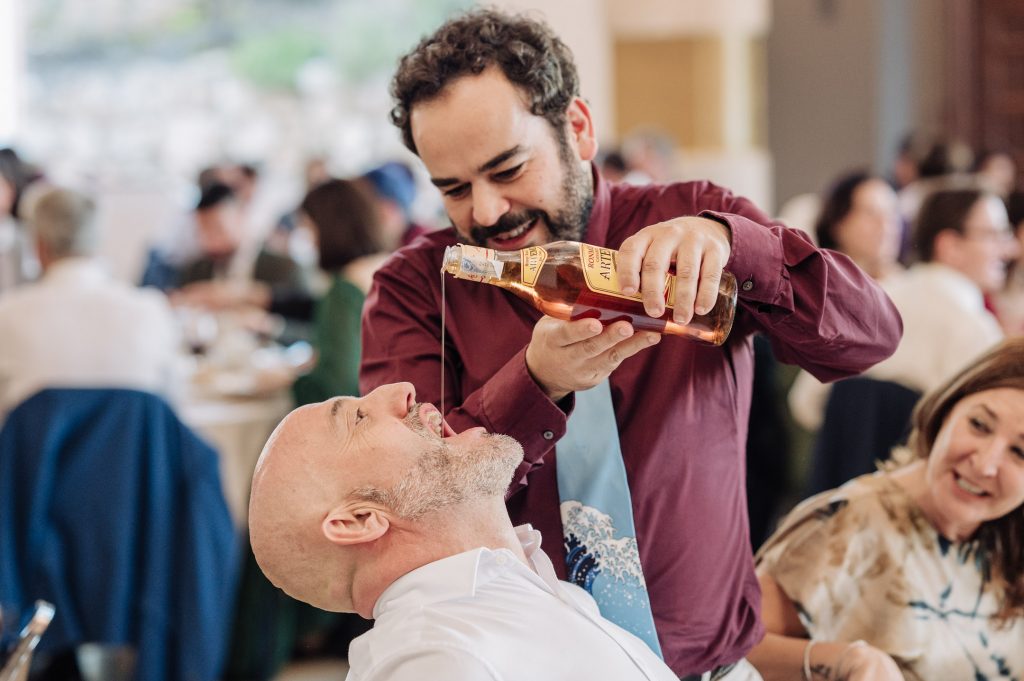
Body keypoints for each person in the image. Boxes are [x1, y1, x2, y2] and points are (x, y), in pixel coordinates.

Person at [359, 9, 901, 678]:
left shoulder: (694, 218)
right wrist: (534, 384)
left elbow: (870, 339)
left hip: (713, 664)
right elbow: (403, 497)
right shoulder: (417, 288)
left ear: (578, 129)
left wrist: (737, 245)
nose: (488, 211)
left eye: (508, 168)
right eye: (454, 188)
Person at [248, 382, 681, 681]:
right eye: (359, 418)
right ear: (359, 520)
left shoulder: (532, 590)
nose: (403, 390)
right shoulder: (431, 658)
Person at [749, 337, 1024, 680]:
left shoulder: (1005, 535)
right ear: (947, 410)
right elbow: (730, 650)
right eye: (979, 425)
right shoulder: (848, 523)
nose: (985, 464)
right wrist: (842, 661)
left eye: (1019, 453)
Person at [0, 186, 179, 420]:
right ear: (97, 239)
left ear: (38, 244)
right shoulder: (150, 311)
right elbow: (173, 412)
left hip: (37, 456)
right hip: (127, 455)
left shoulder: (9, 316)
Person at [787, 171, 905, 431]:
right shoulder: (815, 292)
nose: (886, 225)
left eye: (892, 213)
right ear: (838, 222)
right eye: (871, 213)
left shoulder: (911, 286)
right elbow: (803, 402)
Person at [291, 178, 389, 404]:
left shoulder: (345, 290)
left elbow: (336, 387)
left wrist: (293, 382)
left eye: (309, 229)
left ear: (328, 228)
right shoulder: (388, 266)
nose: (311, 242)